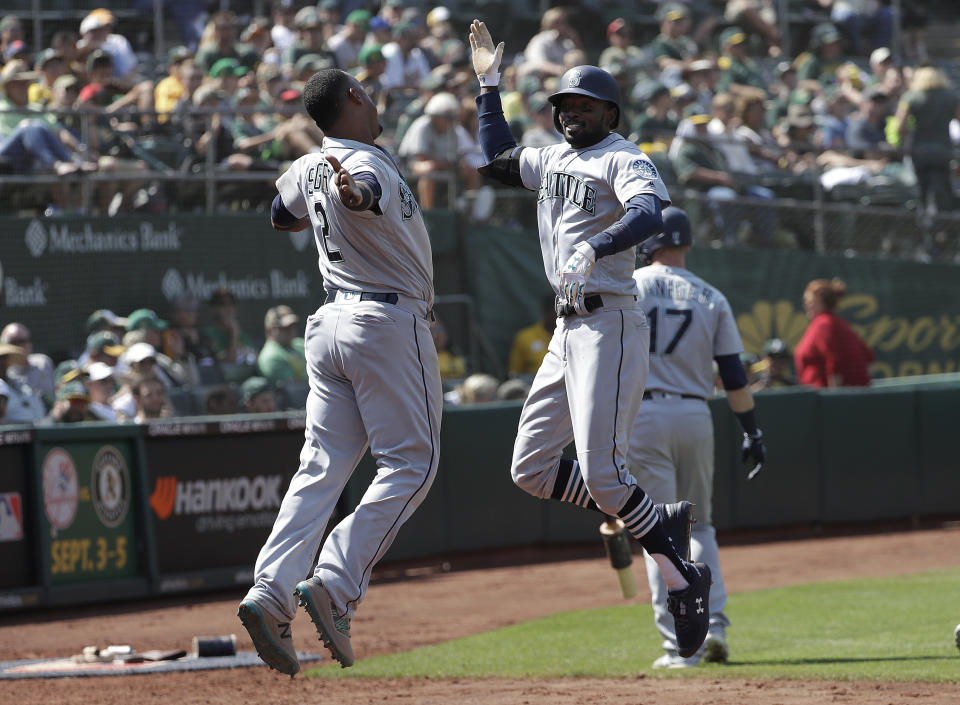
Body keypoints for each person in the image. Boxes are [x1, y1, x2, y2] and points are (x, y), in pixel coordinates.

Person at [469, 20, 711, 661]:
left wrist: (597, 245)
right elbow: (497, 161)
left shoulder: (624, 156)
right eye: (563, 105)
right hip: (566, 328)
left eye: (584, 104)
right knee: (530, 467)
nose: (571, 112)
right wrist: (488, 87)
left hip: (610, 320)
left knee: (604, 473)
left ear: (610, 110)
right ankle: (660, 521)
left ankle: (684, 576)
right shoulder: (550, 156)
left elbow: (649, 214)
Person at [238, 67, 443, 676]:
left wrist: (329, 200)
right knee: (414, 462)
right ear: (354, 96)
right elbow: (367, 195)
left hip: (330, 325)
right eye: (368, 89)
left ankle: (271, 591)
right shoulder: (368, 164)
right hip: (384, 321)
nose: (375, 97)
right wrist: (351, 199)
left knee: (321, 467)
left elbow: (279, 214)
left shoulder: (314, 165)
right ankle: (335, 582)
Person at [629, 207, 767, 669]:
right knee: (700, 525)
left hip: (641, 413)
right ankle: (716, 629)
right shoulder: (711, 295)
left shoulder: (628, 286)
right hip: (694, 411)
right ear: (686, 243)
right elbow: (732, 375)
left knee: (657, 532)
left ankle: (678, 645)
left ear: (649, 242)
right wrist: (751, 430)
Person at [894, 67, 959, 213]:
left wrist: (911, 132)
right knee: (943, 187)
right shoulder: (950, 96)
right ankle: (943, 225)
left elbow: (899, 127)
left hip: (919, 150)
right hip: (943, 150)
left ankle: (923, 224)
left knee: (921, 189)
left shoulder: (910, 97)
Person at [795, 278, 873, 388]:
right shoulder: (833, 322)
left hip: (824, 399)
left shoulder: (824, 323)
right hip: (824, 397)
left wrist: (836, 397)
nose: (805, 305)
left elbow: (835, 362)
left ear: (821, 301)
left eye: (809, 302)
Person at [0, 322, 55, 403]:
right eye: (14, 341)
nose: (21, 345)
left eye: (24, 341)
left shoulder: (43, 362)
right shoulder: (4, 372)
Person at [507, 293, 556, 379]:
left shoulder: (572, 336)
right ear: (545, 312)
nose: (559, 316)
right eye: (555, 312)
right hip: (532, 385)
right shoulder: (525, 337)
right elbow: (514, 373)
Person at [257, 305, 307, 384]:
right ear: (270, 330)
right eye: (285, 327)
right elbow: (296, 389)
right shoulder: (271, 357)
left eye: (293, 326)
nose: (291, 330)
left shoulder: (299, 343)